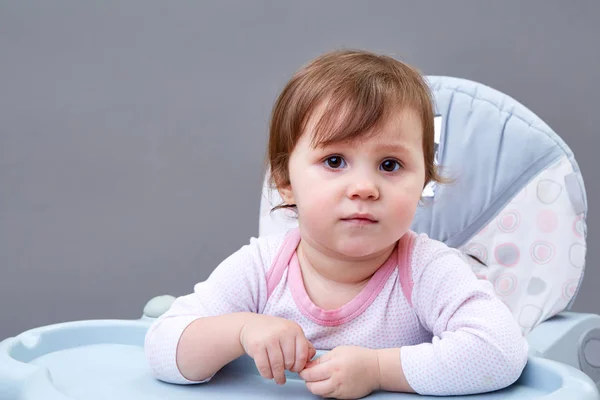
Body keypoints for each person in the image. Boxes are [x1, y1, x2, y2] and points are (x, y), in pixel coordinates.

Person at [145, 49, 528, 398]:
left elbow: (500, 352)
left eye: (390, 165)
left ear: (423, 183)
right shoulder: (263, 268)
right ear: (285, 181)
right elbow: (162, 347)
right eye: (334, 161)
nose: (364, 188)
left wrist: (378, 370)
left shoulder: (427, 271)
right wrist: (241, 331)